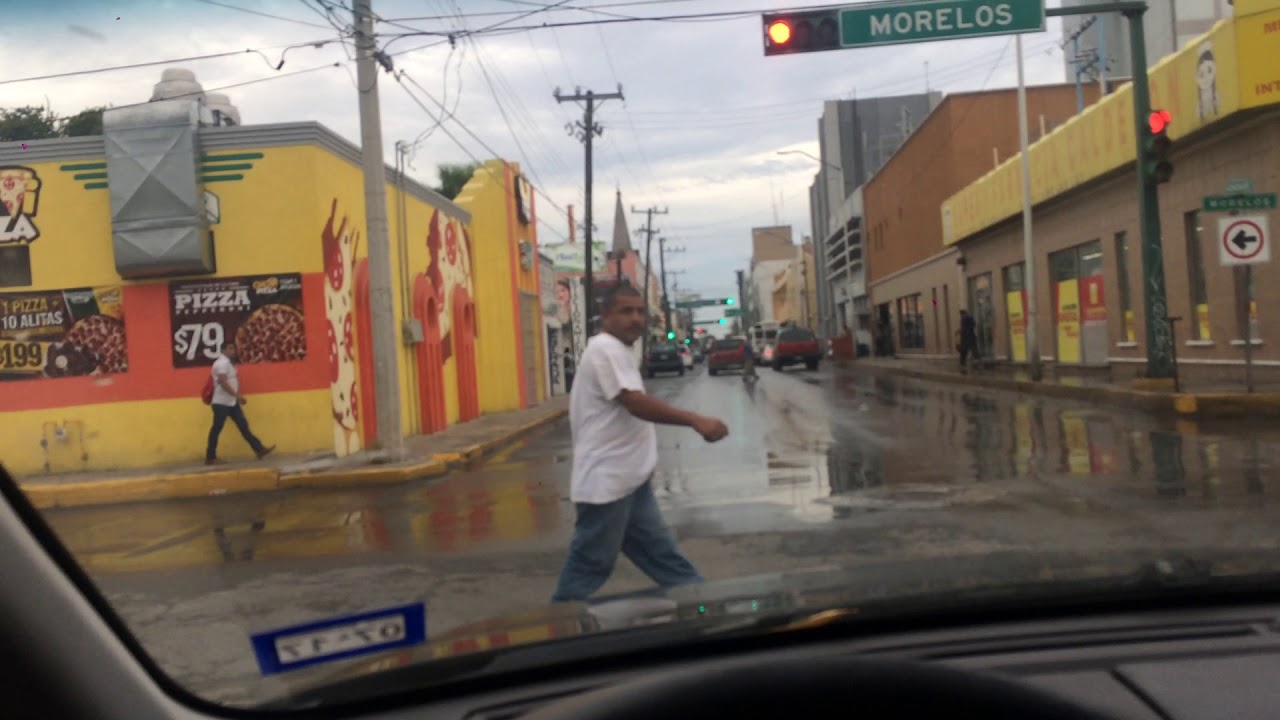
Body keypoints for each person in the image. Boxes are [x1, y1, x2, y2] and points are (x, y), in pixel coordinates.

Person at [552, 285, 729, 603]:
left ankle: (706, 611)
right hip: (608, 484)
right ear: (605, 316)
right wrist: (694, 420)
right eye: (625, 311)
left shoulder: (617, 350)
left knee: (665, 559)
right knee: (588, 568)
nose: (635, 319)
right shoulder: (605, 349)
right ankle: (555, 635)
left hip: (630, 482)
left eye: (640, 311)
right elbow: (635, 402)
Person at [206, 342, 275, 466]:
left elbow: (231, 380)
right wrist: (237, 395)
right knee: (216, 429)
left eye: (234, 348)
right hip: (221, 403)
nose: (233, 351)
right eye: (230, 348)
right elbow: (223, 382)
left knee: (243, 426)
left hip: (231, 402)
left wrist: (236, 396)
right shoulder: (221, 363)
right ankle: (210, 457)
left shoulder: (229, 363)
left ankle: (259, 449)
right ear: (223, 350)